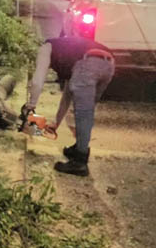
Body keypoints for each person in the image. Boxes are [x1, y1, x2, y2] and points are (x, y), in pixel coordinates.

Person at [23, 34, 115, 177]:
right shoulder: (69, 56)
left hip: (88, 62)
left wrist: (30, 106)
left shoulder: (46, 47)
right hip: (108, 65)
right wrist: (56, 123)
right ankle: (79, 147)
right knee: (85, 109)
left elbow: (37, 81)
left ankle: (80, 162)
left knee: (83, 113)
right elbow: (67, 95)